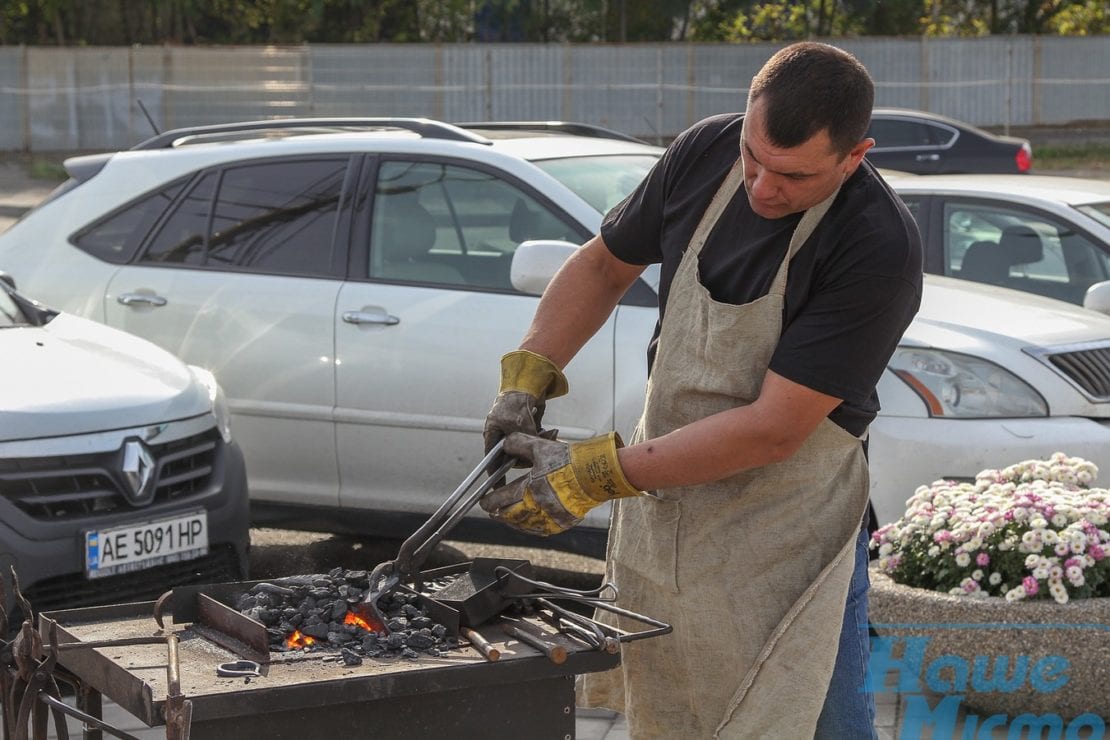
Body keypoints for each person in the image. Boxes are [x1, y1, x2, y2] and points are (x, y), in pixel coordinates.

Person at [480, 41, 922, 739]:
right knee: (671, 715)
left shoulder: (877, 245)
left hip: (784, 533)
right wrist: (528, 374)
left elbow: (774, 428)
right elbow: (601, 268)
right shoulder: (702, 153)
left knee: (808, 720)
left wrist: (593, 474)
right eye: (754, 155)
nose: (762, 186)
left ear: (853, 156)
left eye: (793, 176)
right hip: (668, 509)